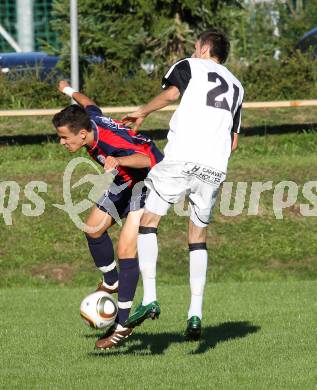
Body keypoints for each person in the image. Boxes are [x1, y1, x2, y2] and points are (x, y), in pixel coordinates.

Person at [123, 29, 244, 340]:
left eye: (195, 45)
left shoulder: (189, 65)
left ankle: (149, 298)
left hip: (181, 157)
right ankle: (195, 314)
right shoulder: (237, 86)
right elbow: (233, 142)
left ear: (202, 48)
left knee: (149, 221)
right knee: (197, 236)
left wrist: (142, 111)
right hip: (215, 166)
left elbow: (172, 93)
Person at [52, 80, 163, 349]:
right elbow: (88, 104)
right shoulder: (89, 121)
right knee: (92, 228)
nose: (61, 142)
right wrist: (67, 90)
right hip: (124, 181)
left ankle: (122, 325)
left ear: (81, 134)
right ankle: (111, 281)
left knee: (126, 250)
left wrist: (118, 160)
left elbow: (149, 160)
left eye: (64, 137)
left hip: (148, 182)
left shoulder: (110, 141)